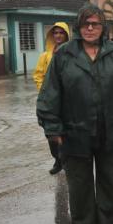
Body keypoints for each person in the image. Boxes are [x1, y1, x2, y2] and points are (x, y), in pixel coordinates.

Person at [37, 5, 113, 224]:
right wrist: (53, 128)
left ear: (103, 27)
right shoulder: (64, 55)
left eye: (95, 24)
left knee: (109, 184)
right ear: (78, 28)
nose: (91, 28)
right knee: (79, 187)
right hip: (75, 135)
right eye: (86, 24)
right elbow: (49, 95)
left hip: (111, 133)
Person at [33, 21, 71, 174]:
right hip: (50, 102)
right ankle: (57, 160)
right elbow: (38, 75)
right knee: (51, 132)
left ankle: (68, 160)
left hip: (68, 102)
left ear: (67, 35)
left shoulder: (72, 53)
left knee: (67, 132)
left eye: (61, 33)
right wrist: (45, 93)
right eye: (55, 33)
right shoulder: (45, 56)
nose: (58, 35)